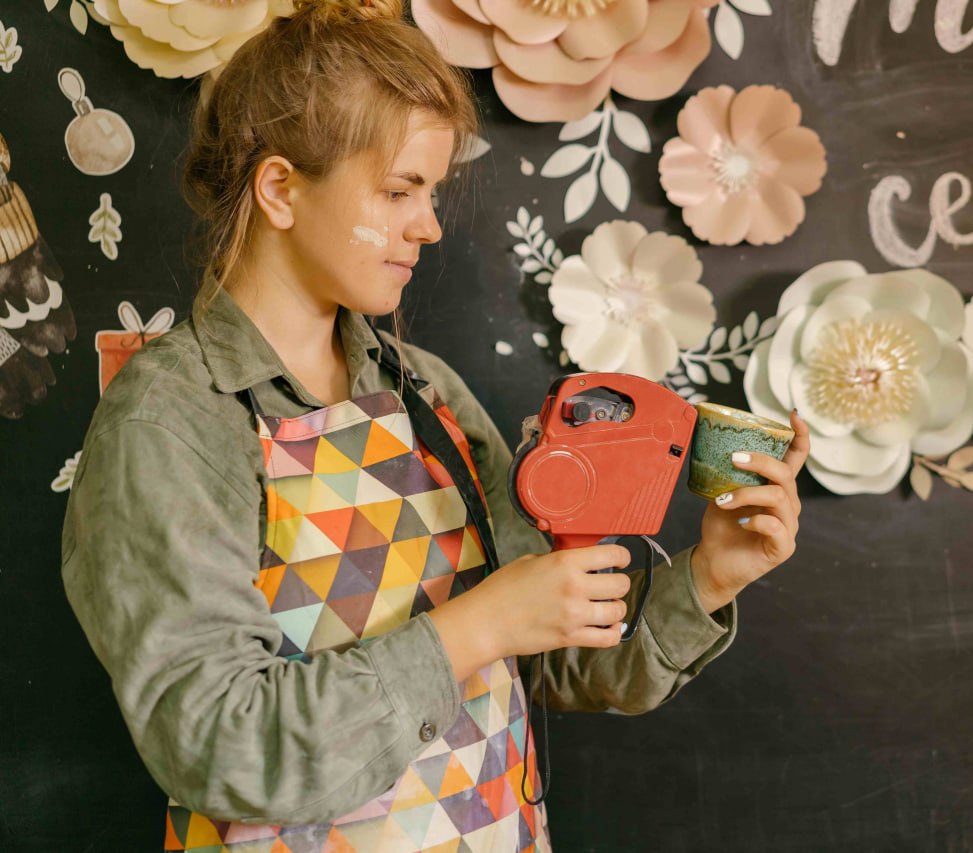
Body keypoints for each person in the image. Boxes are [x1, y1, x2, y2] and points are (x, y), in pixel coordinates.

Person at [59, 0, 811, 849]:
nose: (428, 223)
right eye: (398, 190)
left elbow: (554, 655)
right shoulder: (170, 421)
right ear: (280, 189)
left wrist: (709, 577)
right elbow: (220, 742)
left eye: (431, 191)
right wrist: (478, 624)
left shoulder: (427, 392)